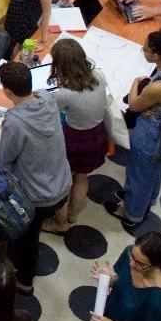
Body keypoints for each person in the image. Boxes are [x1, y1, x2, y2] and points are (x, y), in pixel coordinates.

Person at [0, 61, 71, 292]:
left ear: (7, 92)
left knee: (29, 239)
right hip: (61, 180)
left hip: (38, 196)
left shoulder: (15, 121)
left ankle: (25, 281)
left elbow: (2, 161)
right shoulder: (47, 98)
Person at [105, 31, 161, 230]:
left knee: (139, 172)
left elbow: (133, 105)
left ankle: (131, 212)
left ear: (157, 55)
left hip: (151, 131)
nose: (143, 51)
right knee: (154, 167)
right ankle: (148, 199)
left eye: (145, 49)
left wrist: (135, 84)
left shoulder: (158, 87)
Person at [47, 38, 108, 230]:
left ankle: (61, 222)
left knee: (64, 181)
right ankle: (72, 215)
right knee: (82, 177)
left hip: (75, 140)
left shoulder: (65, 93)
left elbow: (49, 111)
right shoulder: (98, 75)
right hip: (97, 134)